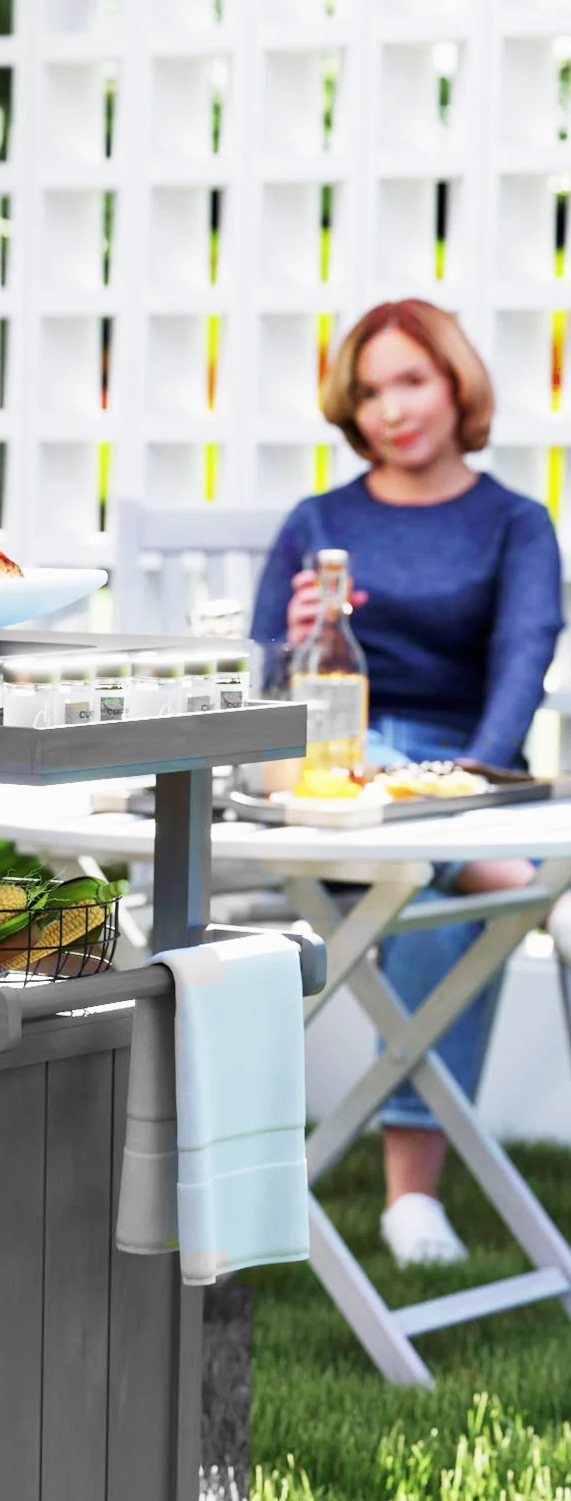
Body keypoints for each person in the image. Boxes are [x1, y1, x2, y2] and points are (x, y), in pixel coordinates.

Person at [253, 299, 564, 1267]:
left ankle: (409, 1196)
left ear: (455, 384)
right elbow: (259, 682)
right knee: (445, 861)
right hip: (324, 774)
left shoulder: (513, 522)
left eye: (411, 380)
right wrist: (296, 637)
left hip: (459, 775)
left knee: (430, 881)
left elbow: (520, 663)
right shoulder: (317, 521)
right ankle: (505, 878)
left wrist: (460, 788)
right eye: (370, 389)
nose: (390, 408)